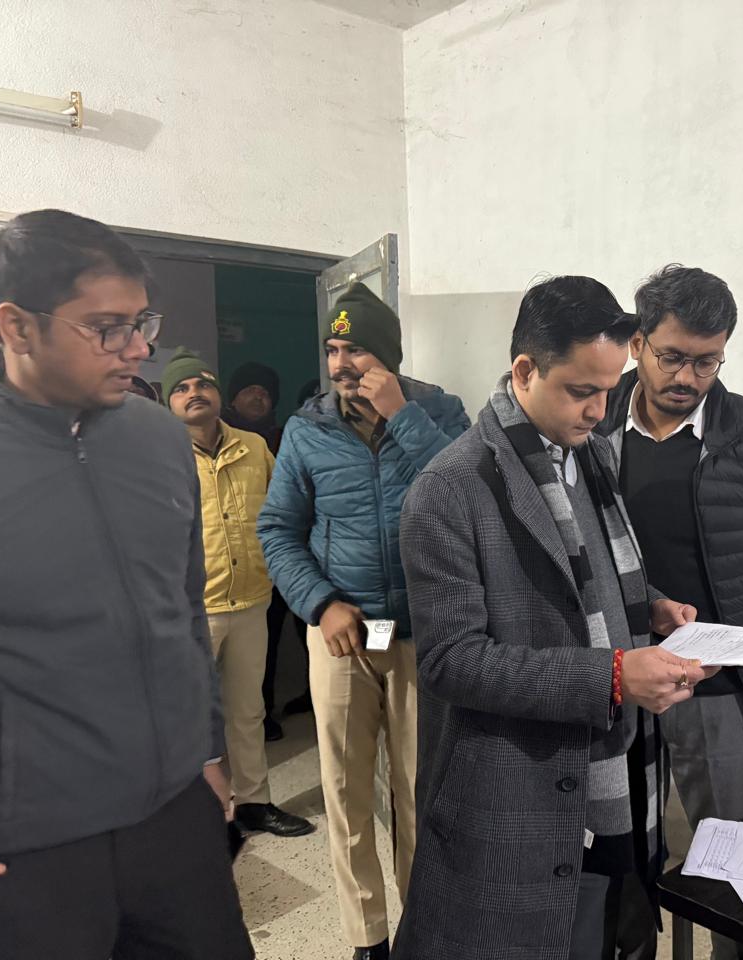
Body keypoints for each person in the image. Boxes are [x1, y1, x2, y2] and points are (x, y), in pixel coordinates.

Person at [0, 209, 253, 959]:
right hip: (20, 853)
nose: (140, 348)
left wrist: (206, 755)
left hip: (176, 825)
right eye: (108, 328)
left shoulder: (158, 441)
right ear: (17, 326)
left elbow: (182, 613)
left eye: (141, 322)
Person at [395, 276, 717, 960]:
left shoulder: (587, 453)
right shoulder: (451, 489)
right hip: (520, 782)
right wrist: (612, 676)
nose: (600, 410)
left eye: (610, 389)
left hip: (615, 769)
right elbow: (452, 661)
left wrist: (649, 604)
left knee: (605, 929)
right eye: (580, 390)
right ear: (524, 371)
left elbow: (589, 575)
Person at [598, 264, 743, 960]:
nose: (688, 377)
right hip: (615, 674)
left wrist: (734, 625)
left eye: (707, 362)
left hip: (721, 687)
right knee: (622, 852)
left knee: (735, 866)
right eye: (672, 357)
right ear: (638, 344)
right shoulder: (596, 423)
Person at [258, 282, 469, 960]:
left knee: (419, 793)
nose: (342, 364)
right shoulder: (307, 429)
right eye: (332, 350)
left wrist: (402, 415)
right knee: (347, 792)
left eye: (356, 349)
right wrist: (321, 604)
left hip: (422, 637)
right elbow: (278, 530)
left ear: (389, 356)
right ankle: (366, 938)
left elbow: (469, 499)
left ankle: (421, 927)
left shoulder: (441, 412)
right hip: (343, 638)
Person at [163, 347, 315, 838]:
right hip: (191, 611)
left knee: (248, 711)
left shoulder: (253, 446)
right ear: (168, 402)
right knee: (188, 717)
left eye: (202, 384)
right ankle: (196, 814)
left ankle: (254, 803)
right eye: (181, 388)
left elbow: (285, 511)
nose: (194, 393)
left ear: (218, 393)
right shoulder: (157, 456)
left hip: (252, 600)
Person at [221, 360, 303, 741]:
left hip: (289, 556)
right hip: (241, 567)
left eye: (265, 392)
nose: (258, 396)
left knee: (299, 634)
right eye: (249, 390)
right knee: (257, 647)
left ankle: (311, 697)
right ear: (233, 398)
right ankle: (262, 713)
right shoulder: (217, 439)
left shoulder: (286, 438)